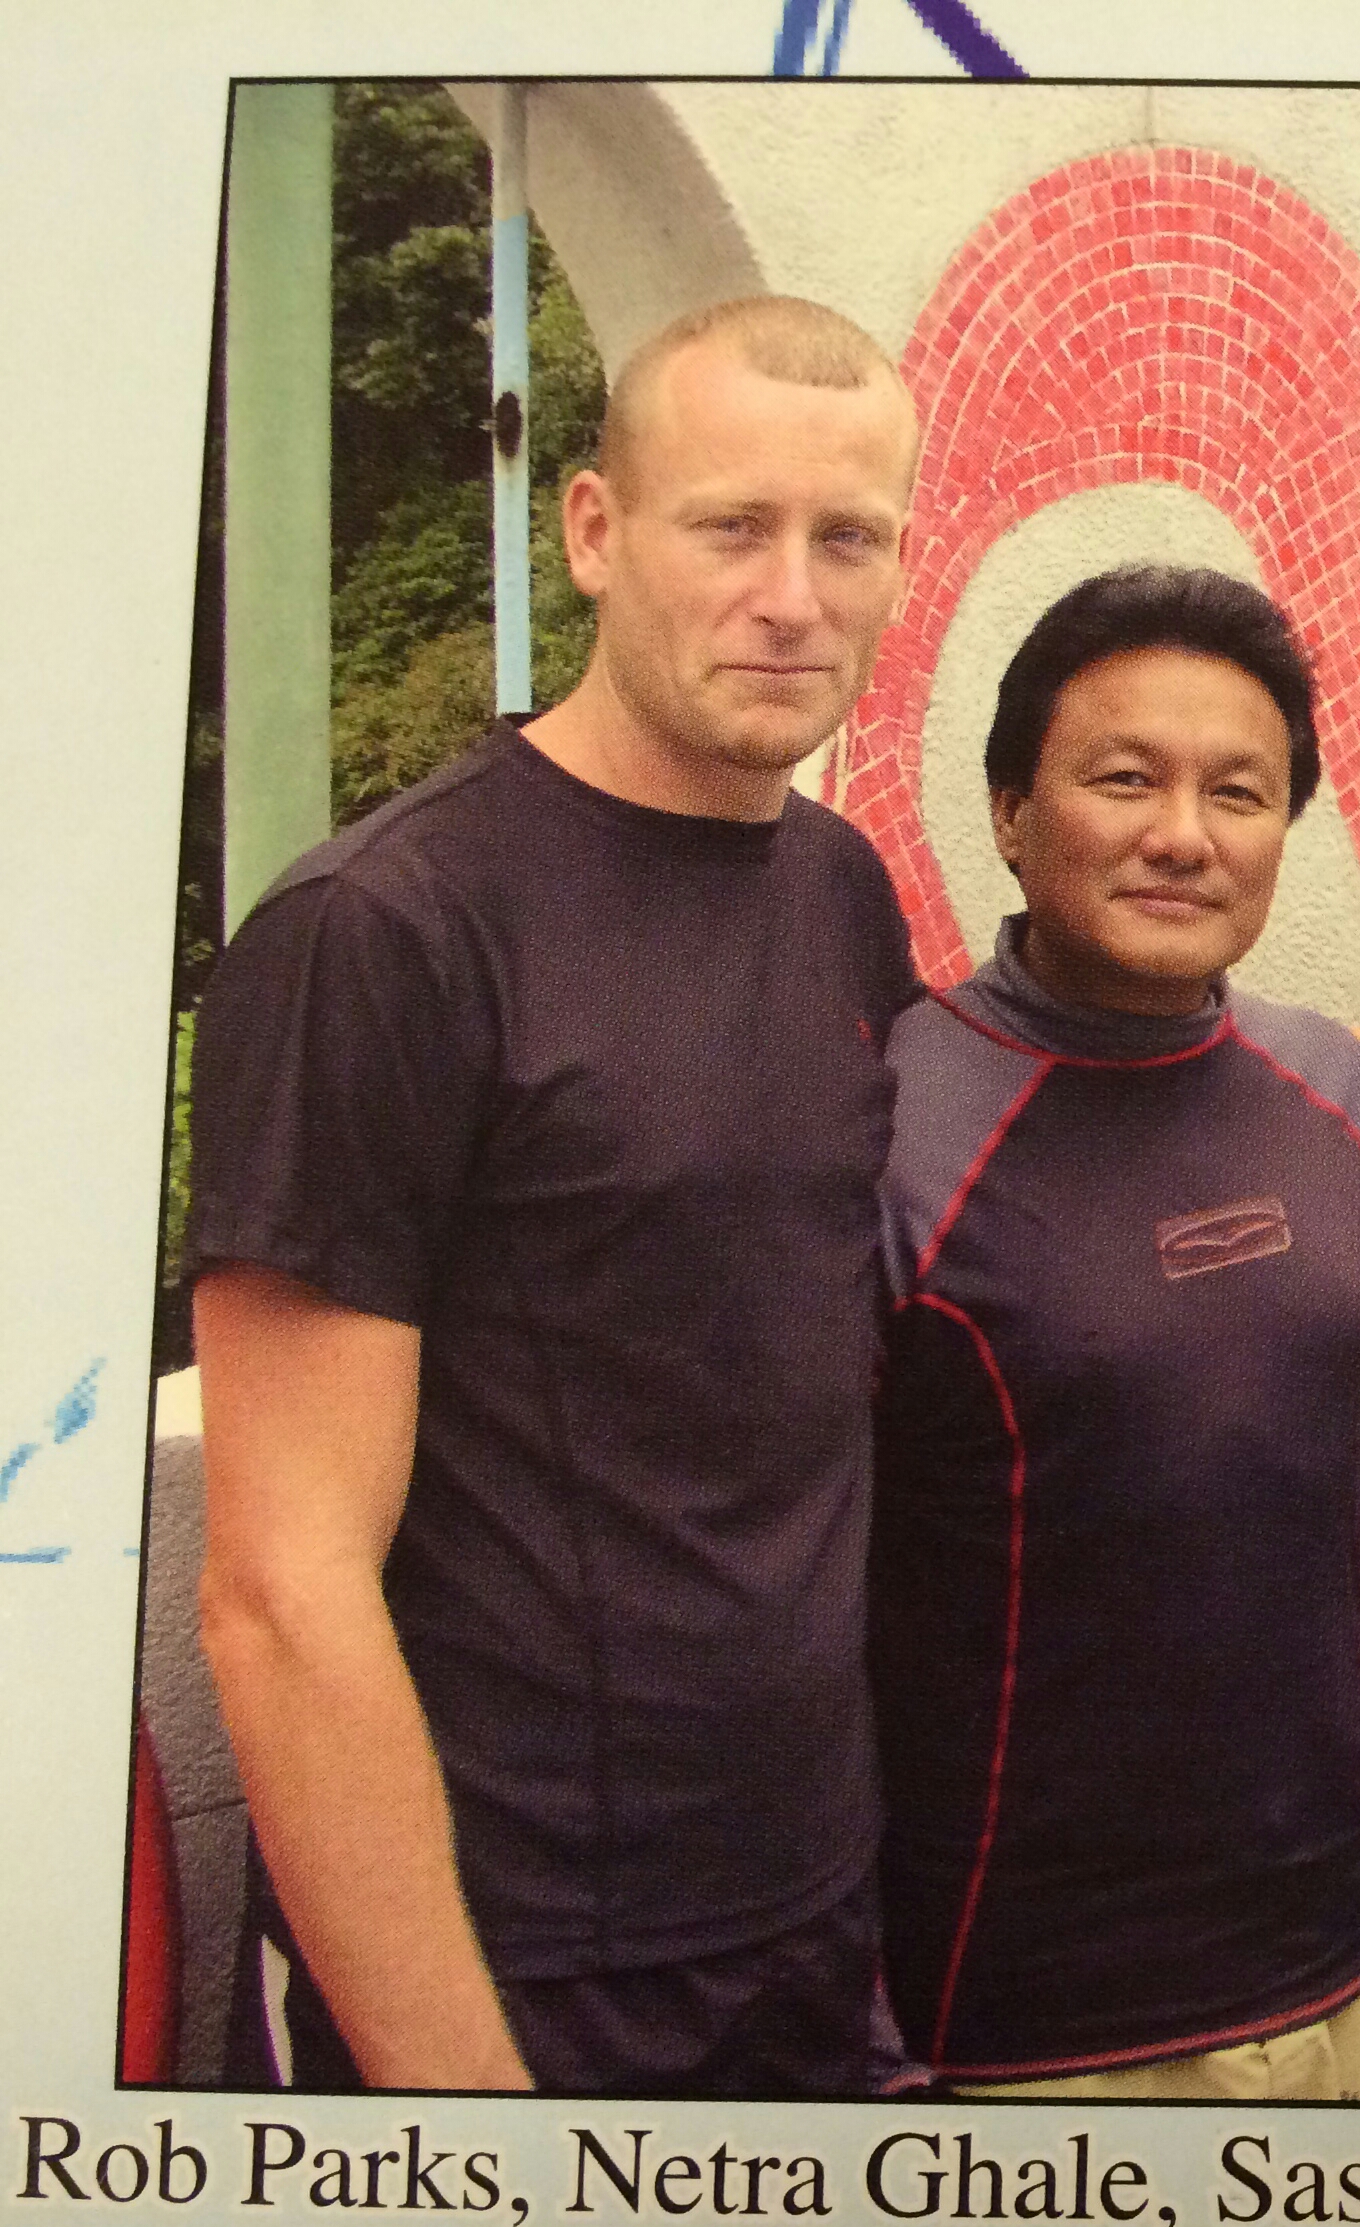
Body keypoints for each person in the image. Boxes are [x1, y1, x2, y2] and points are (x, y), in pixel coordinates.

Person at [191, 295, 927, 2094]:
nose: (792, 598)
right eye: (731, 527)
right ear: (594, 530)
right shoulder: (382, 931)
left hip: (811, 1914)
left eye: (847, 539)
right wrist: (461, 2112)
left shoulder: (838, 889)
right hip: (514, 1965)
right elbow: (278, 1591)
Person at [869, 566, 1360, 2103]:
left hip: (1342, 1985)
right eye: (1123, 779)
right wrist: (864, 2038)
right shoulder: (887, 1123)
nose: (1183, 834)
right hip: (1022, 2030)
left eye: (1240, 791)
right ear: (1010, 811)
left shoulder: (1333, 1093)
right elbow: (802, 1606)